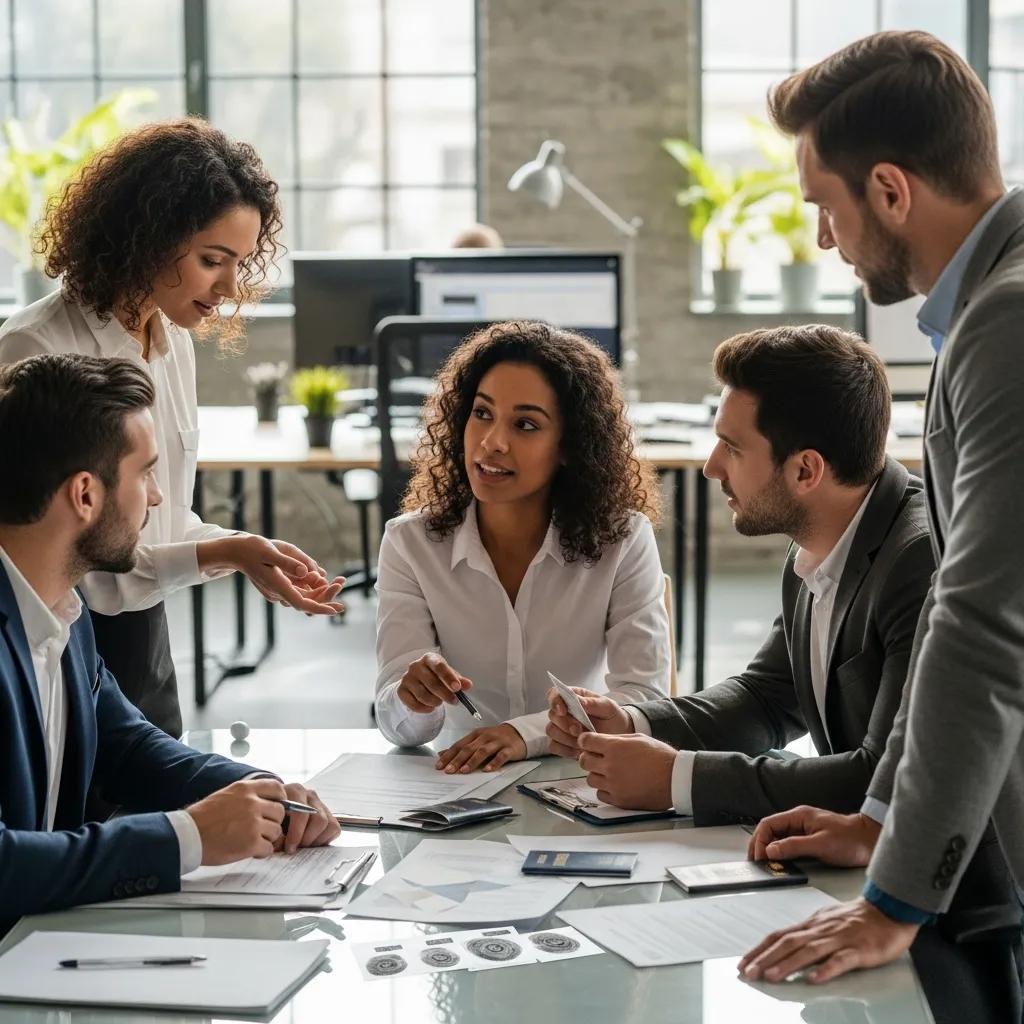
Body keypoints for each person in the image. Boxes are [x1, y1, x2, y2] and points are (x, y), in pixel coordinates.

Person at [727, 30, 1024, 1014]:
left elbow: (982, 625)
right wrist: (880, 816)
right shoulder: (987, 307)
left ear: (890, 191)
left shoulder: (1007, 321)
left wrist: (893, 900)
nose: (824, 239)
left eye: (825, 204)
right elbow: (956, 605)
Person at [0, 119, 344, 740]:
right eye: (213, 261)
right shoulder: (33, 348)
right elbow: (70, 555)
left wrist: (241, 549)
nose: (230, 288)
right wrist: (226, 553)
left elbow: (164, 518)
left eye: (239, 263)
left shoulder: (171, 341)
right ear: (149, 238)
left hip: (148, 639)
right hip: (56, 645)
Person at [0, 353, 340, 937]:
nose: (156, 498)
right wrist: (188, 836)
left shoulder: (64, 605)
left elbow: (127, 747)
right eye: (146, 474)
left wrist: (262, 793)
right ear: (85, 494)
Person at [546, 324, 933, 825]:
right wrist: (631, 722)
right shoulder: (820, 540)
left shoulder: (920, 564)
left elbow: (883, 781)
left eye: (731, 446)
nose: (711, 467)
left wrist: (679, 779)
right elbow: (767, 699)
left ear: (805, 471)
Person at [374, 320, 670, 771]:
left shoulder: (623, 540)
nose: (492, 443)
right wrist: (411, 698)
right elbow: (401, 731)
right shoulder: (409, 543)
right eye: (482, 413)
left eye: (526, 424)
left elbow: (643, 700)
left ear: (569, 445)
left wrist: (524, 735)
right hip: (457, 779)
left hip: (578, 779)